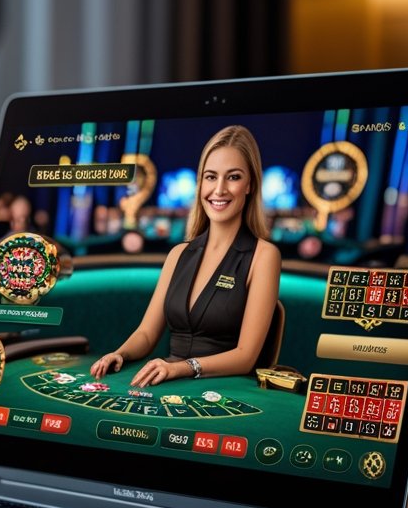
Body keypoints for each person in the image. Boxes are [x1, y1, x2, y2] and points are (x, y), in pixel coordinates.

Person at [90, 125, 280, 387]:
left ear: (250, 185)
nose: (219, 189)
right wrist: (120, 354)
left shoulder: (264, 256)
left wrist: (182, 368)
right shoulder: (178, 254)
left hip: (224, 389)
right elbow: (146, 334)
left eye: (233, 177)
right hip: (171, 382)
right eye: (211, 177)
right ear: (200, 183)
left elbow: (246, 357)